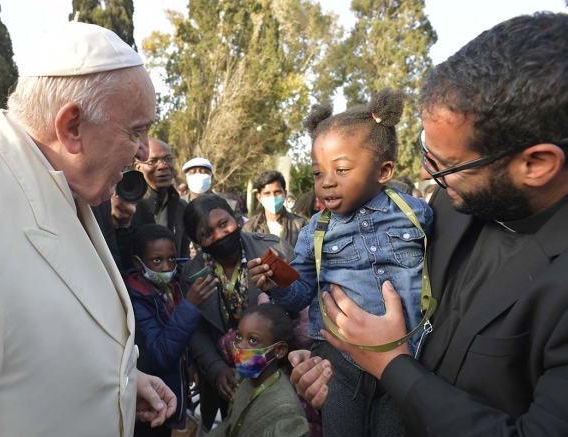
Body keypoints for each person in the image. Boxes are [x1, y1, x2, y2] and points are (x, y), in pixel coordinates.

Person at [289, 12, 568, 437]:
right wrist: (338, 368)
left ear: (536, 164)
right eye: (425, 152)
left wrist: (390, 366)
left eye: (447, 164)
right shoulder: (446, 206)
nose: (425, 176)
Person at [0, 21, 176, 436]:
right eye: (136, 130)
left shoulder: (64, 180)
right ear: (71, 127)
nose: (144, 152)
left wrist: (118, 386)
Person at [249, 88, 433, 437]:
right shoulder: (313, 233)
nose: (327, 181)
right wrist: (277, 283)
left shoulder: (416, 214)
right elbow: (301, 293)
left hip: (404, 359)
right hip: (338, 362)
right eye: (318, 173)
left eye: (342, 169)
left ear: (384, 170)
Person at [180, 194, 295, 432]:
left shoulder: (273, 250)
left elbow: (300, 306)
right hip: (228, 381)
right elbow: (198, 331)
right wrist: (216, 369)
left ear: (235, 218)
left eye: (224, 224)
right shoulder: (192, 275)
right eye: (207, 233)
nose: (220, 235)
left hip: (278, 370)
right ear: (197, 242)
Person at [127, 225, 219, 436]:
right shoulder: (135, 300)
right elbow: (160, 355)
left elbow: (180, 336)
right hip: (147, 403)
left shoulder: (172, 289)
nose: (166, 267)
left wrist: (190, 362)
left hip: (167, 394)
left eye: (172, 259)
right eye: (156, 260)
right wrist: (190, 306)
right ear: (137, 262)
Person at [208, 304, 310, 437]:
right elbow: (230, 424)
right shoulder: (242, 378)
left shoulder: (285, 411)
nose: (240, 345)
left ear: (279, 350)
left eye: (253, 340)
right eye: (239, 336)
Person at [126, 138, 190, 262]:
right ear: (138, 167)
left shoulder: (181, 207)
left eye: (167, 159)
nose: (162, 166)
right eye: (153, 161)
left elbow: (183, 256)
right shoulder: (128, 207)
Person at [243, 170, 308, 247]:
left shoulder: (301, 225)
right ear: (259, 197)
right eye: (267, 193)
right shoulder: (249, 228)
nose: (273, 197)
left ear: (285, 194)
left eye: (277, 192)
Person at [181, 157, 244, 225]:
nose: (198, 175)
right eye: (193, 172)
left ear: (212, 177)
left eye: (204, 172)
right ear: (186, 179)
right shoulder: (177, 205)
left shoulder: (230, 206)